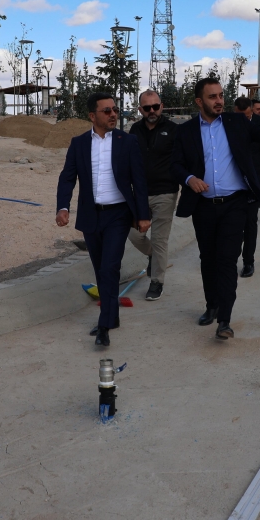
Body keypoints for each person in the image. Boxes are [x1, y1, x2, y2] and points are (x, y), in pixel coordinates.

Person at [172, 77, 260, 340]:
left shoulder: (237, 122)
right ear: (199, 101)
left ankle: (224, 320)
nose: (219, 101)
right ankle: (212, 305)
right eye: (212, 97)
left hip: (234, 205)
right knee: (208, 259)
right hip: (203, 207)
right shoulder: (186, 131)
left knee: (227, 260)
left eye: (221, 95)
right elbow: (176, 164)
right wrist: (189, 179)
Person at [56, 92, 151, 347]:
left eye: (115, 110)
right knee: (100, 269)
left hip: (118, 215)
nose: (113, 114)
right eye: (107, 111)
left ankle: (104, 325)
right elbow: (67, 177)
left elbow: (139, 180)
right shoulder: (78, 143)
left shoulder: (127, 141)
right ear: (92, 116)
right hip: (90, 215)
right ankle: (112, 315)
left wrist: (143, 215)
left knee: (110, 267)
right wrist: (63, 207)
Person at [126, 89, 179, 301]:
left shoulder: (173, 130)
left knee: (159, 240)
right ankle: (152, 256)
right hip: (139, 193)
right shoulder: (134, 130)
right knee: (134, 235)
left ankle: (157, 281)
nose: (152, 111)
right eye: (147, 107)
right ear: (140, 109)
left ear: (161, 107)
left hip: (165, 192)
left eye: (155, 107)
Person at [233, 96, 260, 277]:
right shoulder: (227, 123)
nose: (243, 119)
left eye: (247, 115)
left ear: (251, 111)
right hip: (232, 183)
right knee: (232, 224)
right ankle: (230, 257)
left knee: (250, 223)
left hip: (254, 183)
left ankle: (248, 262)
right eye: (239, 115)